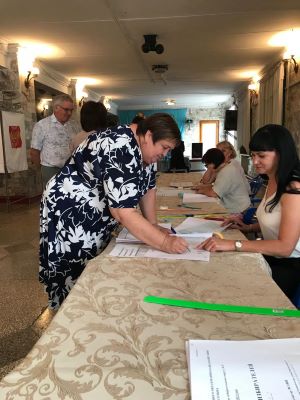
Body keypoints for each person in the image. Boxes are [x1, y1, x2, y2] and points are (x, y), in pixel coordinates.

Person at [39, 113, 189, 309]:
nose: (165, 154)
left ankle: (89, 307)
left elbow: (149, 188)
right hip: (71, 207)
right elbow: (122, 211)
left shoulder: (145, 150)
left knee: (96, 262)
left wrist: (154, 226)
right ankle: (70, 315)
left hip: (96, 207)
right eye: (165, 148)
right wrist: (164, 242)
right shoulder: (119, 145)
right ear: (149, 135)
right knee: (75, 269)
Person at [197, 124, 300, 303]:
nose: (255, 161)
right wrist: (250, 226)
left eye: (261, 156)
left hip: (290, 265)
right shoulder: (273, 180)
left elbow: (285, 247)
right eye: (253, 155)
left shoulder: (293, 189)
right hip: (273, 257)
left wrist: (233, 244)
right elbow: (279, 218)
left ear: (281, 153)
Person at [30, 94, 80, 188]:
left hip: (71, 169)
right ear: (56, 108)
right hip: (50, 170)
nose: (69, 113)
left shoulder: (74, 126)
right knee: (52, 199)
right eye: (66, 109)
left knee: (69, 199)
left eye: (71, 110)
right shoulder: (42, 125)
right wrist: (41, 169)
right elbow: (34, 151)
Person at [193, 148, 251, 213]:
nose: (207, 168)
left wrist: (200, 191)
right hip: (237, 205)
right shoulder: (224, 168)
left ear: (212, 164)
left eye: (207, 165)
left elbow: (214, 193)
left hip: (240, 210)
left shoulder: (226, 172)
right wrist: (203, 187)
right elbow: (212, 185)